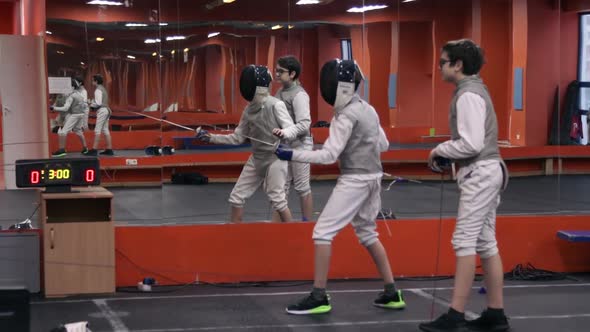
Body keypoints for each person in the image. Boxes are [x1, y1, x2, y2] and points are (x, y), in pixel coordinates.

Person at [276, 59, 405, 315]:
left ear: (338, 86)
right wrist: (361, 146)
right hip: (373, 179)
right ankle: (392, 292)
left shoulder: (344, 116)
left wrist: (292, 155)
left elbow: (328, 155)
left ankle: (319, 296)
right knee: (368, 233)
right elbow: (384, 145)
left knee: (322, 233)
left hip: (355, 181)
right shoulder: (368, 109)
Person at [419, 39, 510, 332]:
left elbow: (471, 143)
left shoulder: (468, 95)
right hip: (486, 170)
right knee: (485, 243)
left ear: (458, 65)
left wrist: (440, 150)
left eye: (443, 62)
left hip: (481, 172)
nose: (440, 67)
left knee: (465, 242)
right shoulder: (473, 90)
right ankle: (496, 314)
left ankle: (455, 315)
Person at [196, 65, 296, 223]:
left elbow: (291, 128)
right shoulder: (249, 110)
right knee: (236, 197)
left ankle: (295, 235)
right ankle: (235, 236)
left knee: (278, 199)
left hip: (276, 158)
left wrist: (284, 134)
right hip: (257, 159)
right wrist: (211, 138)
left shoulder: (276, 105)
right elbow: (238, 138)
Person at [272, 55, 314, 222]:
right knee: (281, 188)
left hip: (300, 146)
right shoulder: (279, 92)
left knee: (302, 187)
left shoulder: (299, 95)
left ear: (292, 74)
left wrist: (287, 133)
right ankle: (277, 228)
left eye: (280, 71)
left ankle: (307, 225)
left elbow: (304, 124)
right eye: (276, 71)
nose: (276, 74)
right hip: (285, 146)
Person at [50, 76, 89, 157]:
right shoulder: (79, 94)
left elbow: (65, 108)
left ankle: (62, 150)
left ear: (72, 87)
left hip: (75, 115)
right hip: (81, 114)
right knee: (78, 131)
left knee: (63, 132)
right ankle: (85, 148)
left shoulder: (71, 96)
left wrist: (53, 108)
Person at [87, 74, 114, 156]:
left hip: (102, 110)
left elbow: (98, 103)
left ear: (96, 81)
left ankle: (94, 150)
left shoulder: (98, 90)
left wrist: (90, 103)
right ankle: (109, 149)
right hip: (106, 110)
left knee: (97, 130)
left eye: (93, 80)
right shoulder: (103, 89)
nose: (92, 82)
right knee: (105, 130)